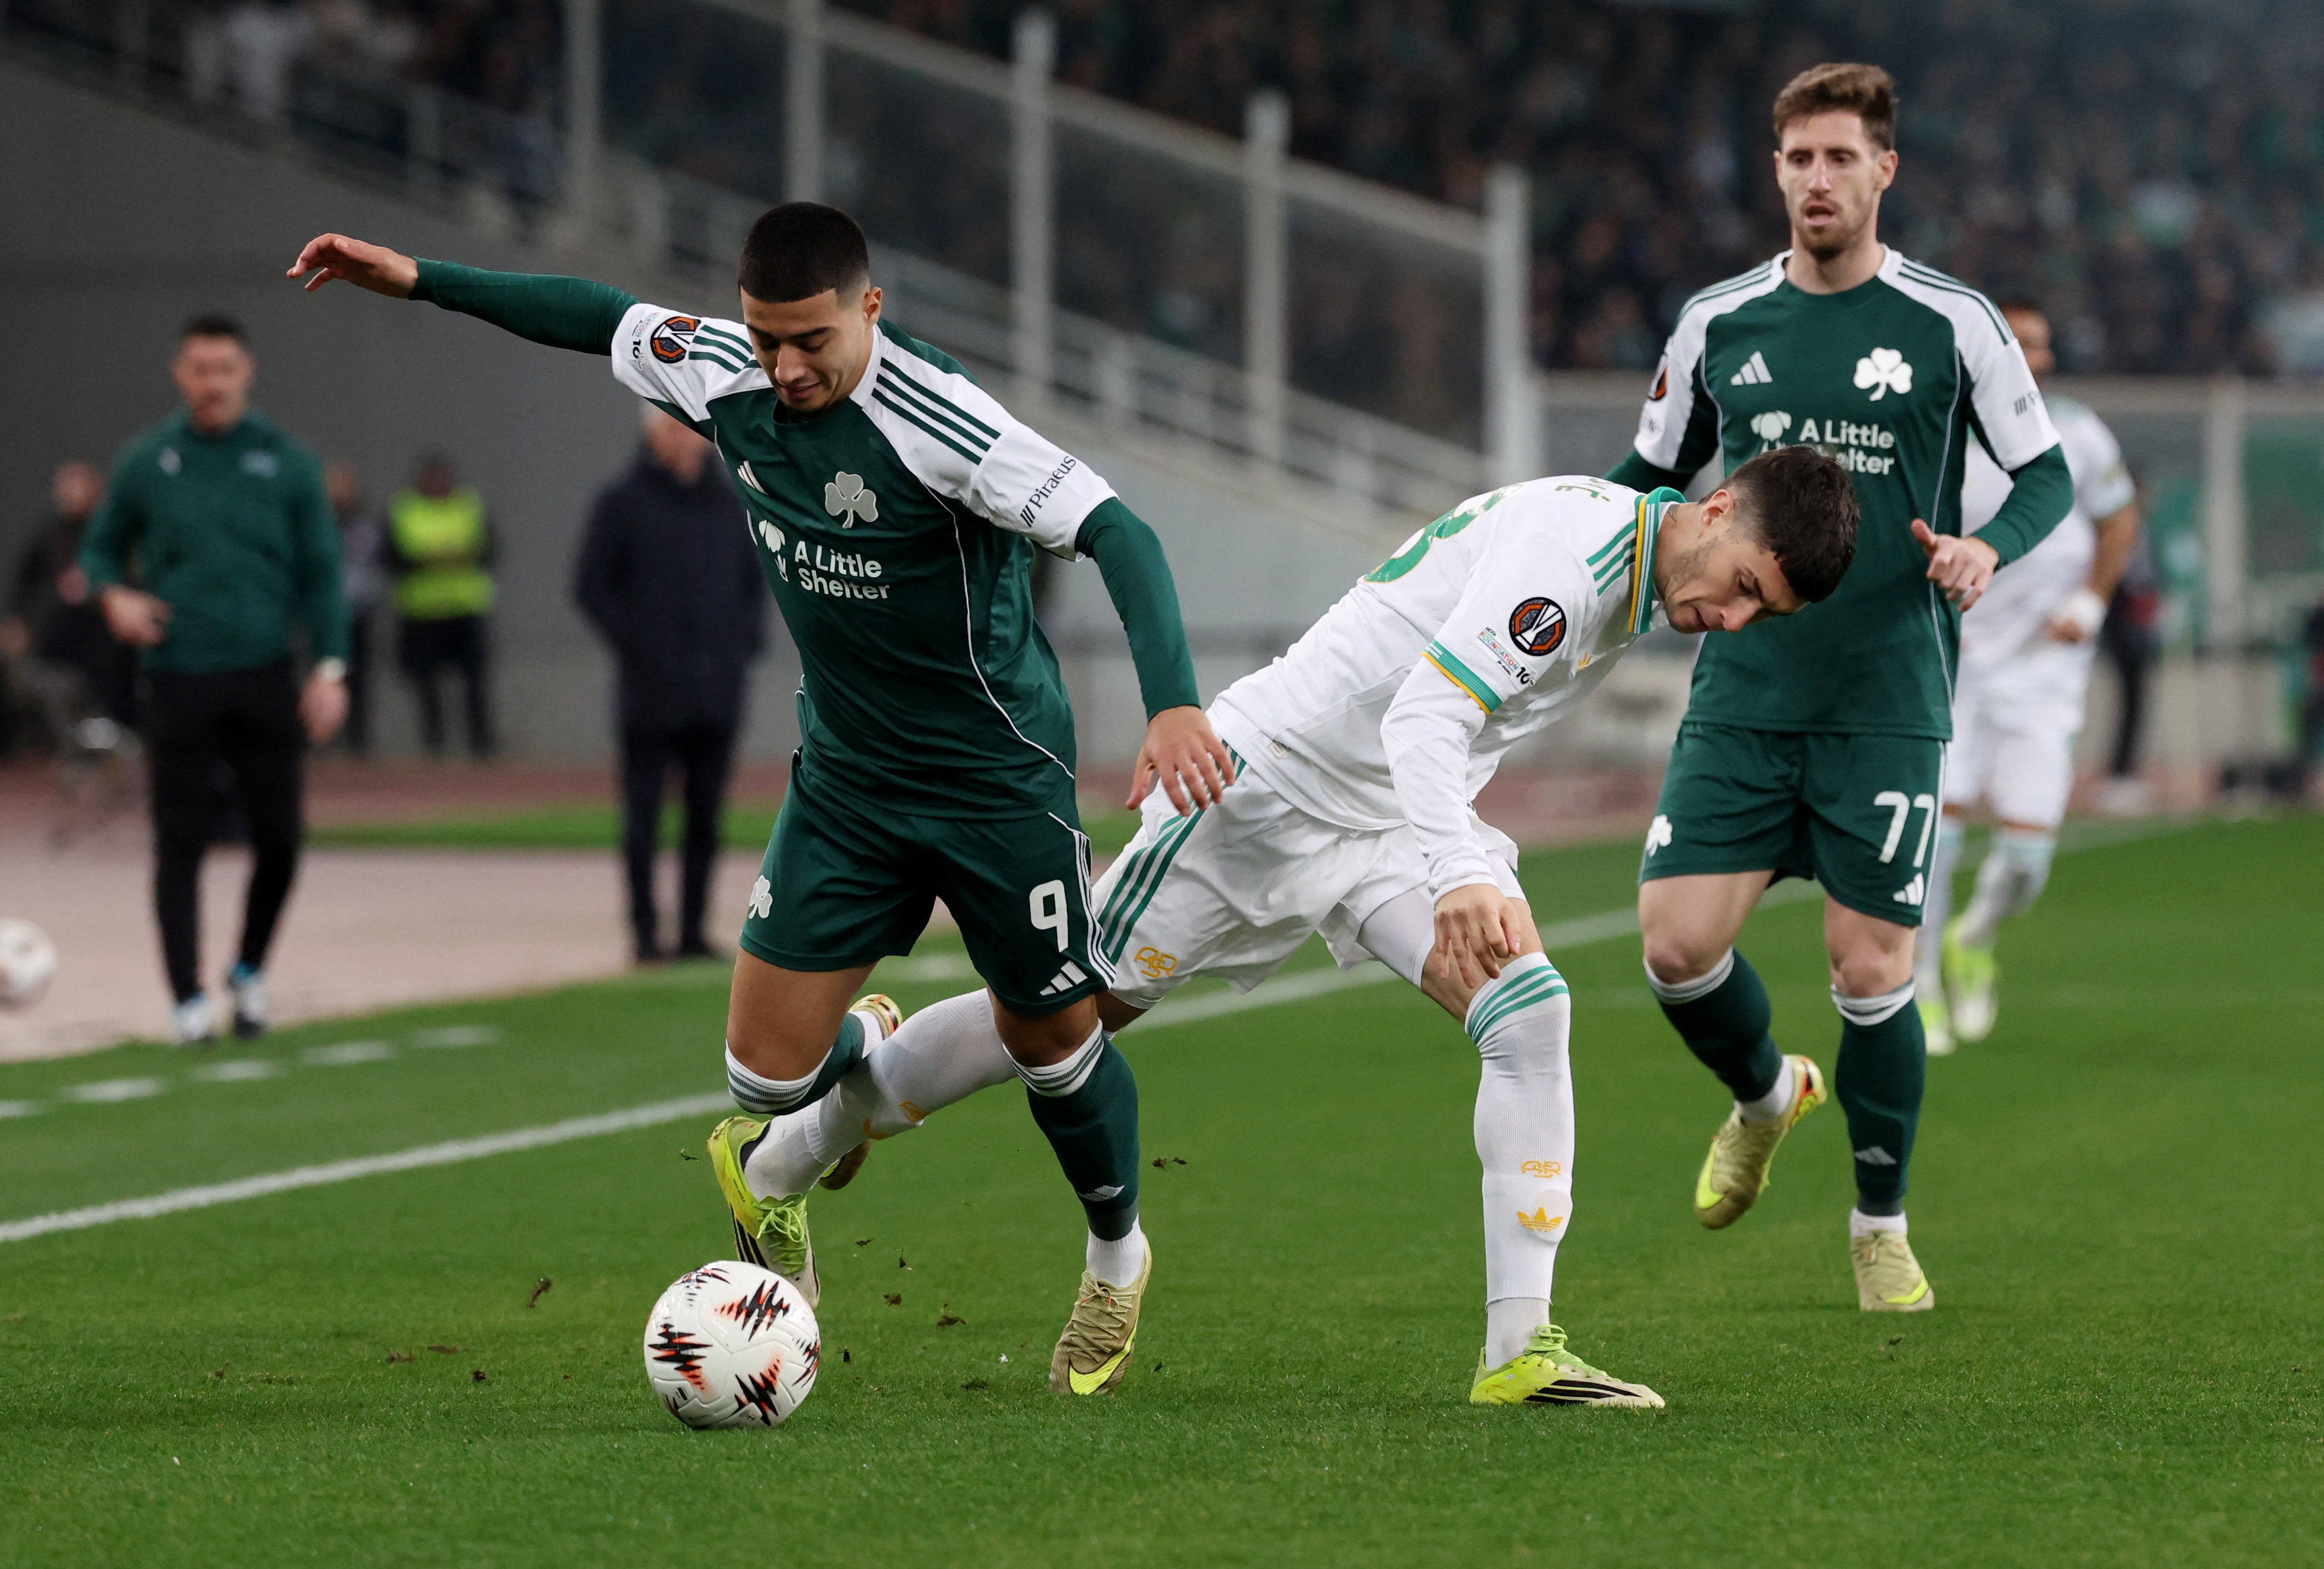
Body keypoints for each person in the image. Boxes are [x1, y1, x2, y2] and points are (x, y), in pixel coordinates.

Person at [288, 203, 1233, 1394]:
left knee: (1054, 1037)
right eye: (765, 337)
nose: (786, 367)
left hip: (994, 779)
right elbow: (593, 316)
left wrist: (1174, 701)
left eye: (811, 341)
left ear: (870, 311)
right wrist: (419, 278)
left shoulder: (945, 422)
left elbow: (1120, 533)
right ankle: (859, 1053)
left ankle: (1114, 1258)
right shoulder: (725, 371)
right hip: (847, 780)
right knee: (760, 1082)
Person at [736, 450, 1861, 1405]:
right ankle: (786, 1157)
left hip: (1375, 825)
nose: (1734, 617)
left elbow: (1427, 728)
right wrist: (1463, 865)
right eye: (1746, 586)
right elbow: (1428, 707)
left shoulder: (1630, 560)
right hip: (1252, 794)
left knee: (1529, 1012)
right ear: (1715, 511)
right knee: (1054, 1024)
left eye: (1762, 613)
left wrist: (1445, 850)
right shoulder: (1575, 567)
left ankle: (1520, 1349)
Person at [1602, 63, 2072, 1313]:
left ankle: (1880, 1225)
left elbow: (2045, 479)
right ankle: (1765, 1095)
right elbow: (1637, 481)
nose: (1818, 179)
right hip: (1745, 686)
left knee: (1870, 970)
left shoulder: (1952, 323)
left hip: (1885, 696)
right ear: (1777, 170)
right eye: (1798, 159)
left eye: (1840, 159)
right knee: (1674, 944)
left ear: (1884, 171)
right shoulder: (1716, 323)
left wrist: (1987, 547)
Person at [79, 314, 350, 1043]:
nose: (212, 383)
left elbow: (324, 575)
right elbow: (99, 550)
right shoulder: (148, 459)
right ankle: (187, 998)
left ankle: (250, 970)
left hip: (264, 671)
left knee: (282, 837)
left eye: (224, 368)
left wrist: (330, 667)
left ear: (246, 373)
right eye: (199, 369)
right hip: (178, 671)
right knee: (181, 841)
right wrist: (115, 595)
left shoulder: (287, 462)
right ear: (179, 374)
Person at [1917, 302, 2142, 1052]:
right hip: (1954, 666)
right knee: (1932, 841)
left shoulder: (2075, 433)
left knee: (2025, 860)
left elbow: (2118, 520)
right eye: (2012, 341)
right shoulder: (1943, 434)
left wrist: (2091, 597)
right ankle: (1918, 992)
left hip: (2044, 670)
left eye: (2037, 343)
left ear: (2047, 357)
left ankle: (1972, 939)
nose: (2026, 354)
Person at [575, 405, 767, 963]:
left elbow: (753, 582)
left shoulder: (727, 504)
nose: (688, 441)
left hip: (717, 692)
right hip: (650, 693)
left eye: (693, 431)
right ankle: (643, 932)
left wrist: (741, 643)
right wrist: (640, 644)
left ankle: (692, 929)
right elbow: (591, 586)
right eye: (675, 429)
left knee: (706, 818)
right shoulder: (623, 502)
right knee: (643, 818)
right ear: (652, 435)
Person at [5, 461, 138, 741]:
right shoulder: (50, 535)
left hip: (104, 630)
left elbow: (129, 575)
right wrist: (17, 621)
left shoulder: (108, 533)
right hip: (60, 633)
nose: (71, 495)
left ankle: (111, 732)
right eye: (66, 488)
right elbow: (25, 582)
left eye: (78, 487)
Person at [388, 453, 496, 759]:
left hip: (466, 608)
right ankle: (434, 746)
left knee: (474, 685)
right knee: (427, 686)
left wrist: (438, 557)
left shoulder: (469, 505)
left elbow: (488, 549)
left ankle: (482, 746)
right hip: (422, 612)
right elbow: (394, 558)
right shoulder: (405, 509)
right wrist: (442, 557)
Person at [327, 458, 388, 756]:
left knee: (359, 681)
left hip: (358, 614)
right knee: (327, 675)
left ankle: (357, 743)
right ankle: (327, 741)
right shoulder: (315, 524)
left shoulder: (365, 524)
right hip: (325, 616)